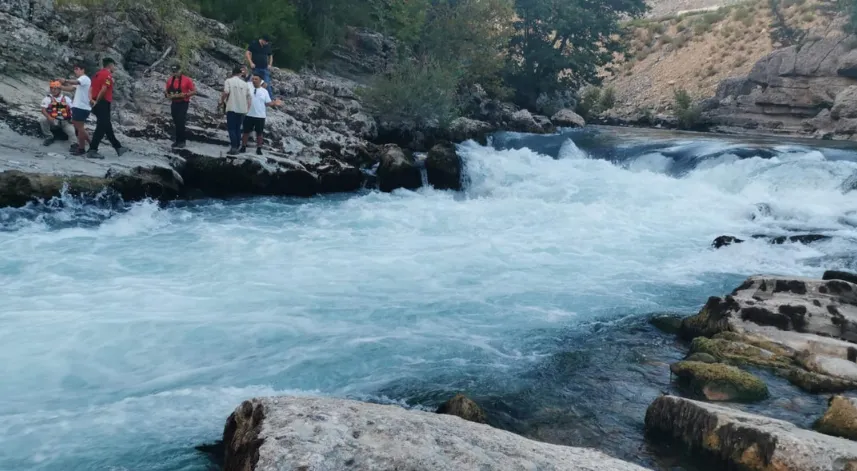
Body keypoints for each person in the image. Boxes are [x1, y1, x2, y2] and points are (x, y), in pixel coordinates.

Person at [88, 57, 127, 158]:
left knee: (107, 126)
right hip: (103, 103)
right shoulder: (107, 75)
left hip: (95, 103)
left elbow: (90, 89)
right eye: (114, 66)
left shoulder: (96, 74)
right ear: (110, 65)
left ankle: (118, 147)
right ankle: (92, 150)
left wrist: (91, 100)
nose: (115, 68)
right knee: (101, 126)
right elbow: (104, 89)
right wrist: (97, 101)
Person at [241, 73, 282, 155]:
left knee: (259, 133)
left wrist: (275, 103)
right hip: (248, 114)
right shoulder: (248, 87)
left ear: (260, 81)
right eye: (253, 79)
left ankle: (259, 148)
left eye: (256, 79)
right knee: (246, 132)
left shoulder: (264, 92)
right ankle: (243, 147)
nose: (254, 81)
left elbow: (267, 103)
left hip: (260, 116)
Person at [58, 64, 92, 155]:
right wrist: (59, 87)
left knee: (80, 129)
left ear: (83, 70)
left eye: (77, 69)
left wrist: (65, 80)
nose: (75, 71)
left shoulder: (84, 78)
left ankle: (84, 148)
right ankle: (89, 146)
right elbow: (71, 88)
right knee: (80, 128)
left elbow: (75, 82)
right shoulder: (82, 80)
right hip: (80, 107)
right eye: (75, 70)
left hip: (81, 107)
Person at [219, 65, 252, 155]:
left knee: (232, 128)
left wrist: (221, 101)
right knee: (238, 128)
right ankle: (237, 146)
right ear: (240, 74)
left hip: (232, 108)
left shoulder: (228, 81)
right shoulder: (245, 84)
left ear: (232, 73)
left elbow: (226, 92)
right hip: (242, 109)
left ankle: (234, 148)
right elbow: (249, 97)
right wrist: (248, 108)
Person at [164, 64, 196, 148]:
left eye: (176, 71)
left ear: (180, 70)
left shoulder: (187, 80)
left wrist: (185, 94)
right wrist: (168, 96)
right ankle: (177, 140)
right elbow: (166, 92)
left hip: (183, 103)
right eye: (173, 72)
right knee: (176, 121)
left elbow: (194, 91)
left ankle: (182, 141)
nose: (175, 73)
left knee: (181, 121)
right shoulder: (170, 80)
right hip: (174, 102)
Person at [39, 81, 75, 147]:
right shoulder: (47, 98)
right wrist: (49, 117)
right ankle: (49, 137)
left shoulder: (66, 99)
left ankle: (74, 144)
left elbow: (73, 109)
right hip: (53, 120)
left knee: (72, 132)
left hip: (65, 121)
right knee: (43, 119)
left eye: (55, 88)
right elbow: (43, 110)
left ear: (59, 89)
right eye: (51, 88)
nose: (53, 90)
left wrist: (72, 118)